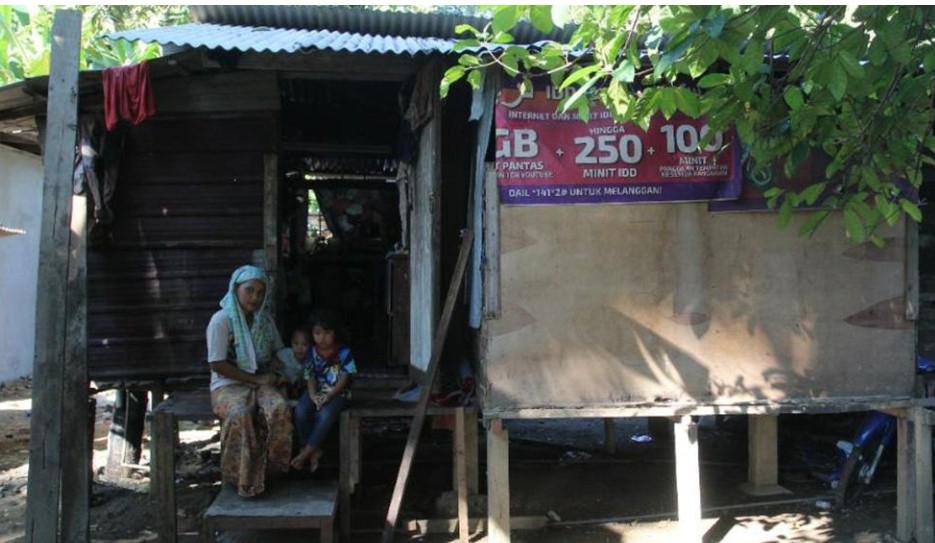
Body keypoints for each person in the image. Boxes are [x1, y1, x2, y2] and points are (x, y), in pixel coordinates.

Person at [206, 265, 292, 497]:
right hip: (227, 384)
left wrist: (284, 372)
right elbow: (217, 364)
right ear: (236, 289)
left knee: (278, 408)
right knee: (240, 413)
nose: (255, 297)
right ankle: (240, 479)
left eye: (260, 292)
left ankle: (270, 473)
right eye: (249, 290)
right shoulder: (221, 321)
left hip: (260, 380)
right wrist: (255, 380)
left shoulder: (264, 321)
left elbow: (277, 351)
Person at [291, 310, 357, 472]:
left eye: (327, 333)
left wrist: (330, 395)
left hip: (339, 392)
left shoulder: (344, 352)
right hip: (317, 391)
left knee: (325, 415)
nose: (322, 338)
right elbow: (310, 376)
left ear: (335, 334)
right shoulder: (311, 352)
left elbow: (344, 378)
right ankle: (315, 451)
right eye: (317, 333)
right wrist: (313, 396)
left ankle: (305, 453)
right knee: (300, 411)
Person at [275, 327, 311, 399]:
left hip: (295, 385)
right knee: (283, 381)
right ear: (291, 343)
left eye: (304, 344)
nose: (300, 348)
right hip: (282, 382)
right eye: (296, 343)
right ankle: (286, 402)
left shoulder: (310, 360)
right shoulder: (285, 353)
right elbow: (273, 357)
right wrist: (276, 363)